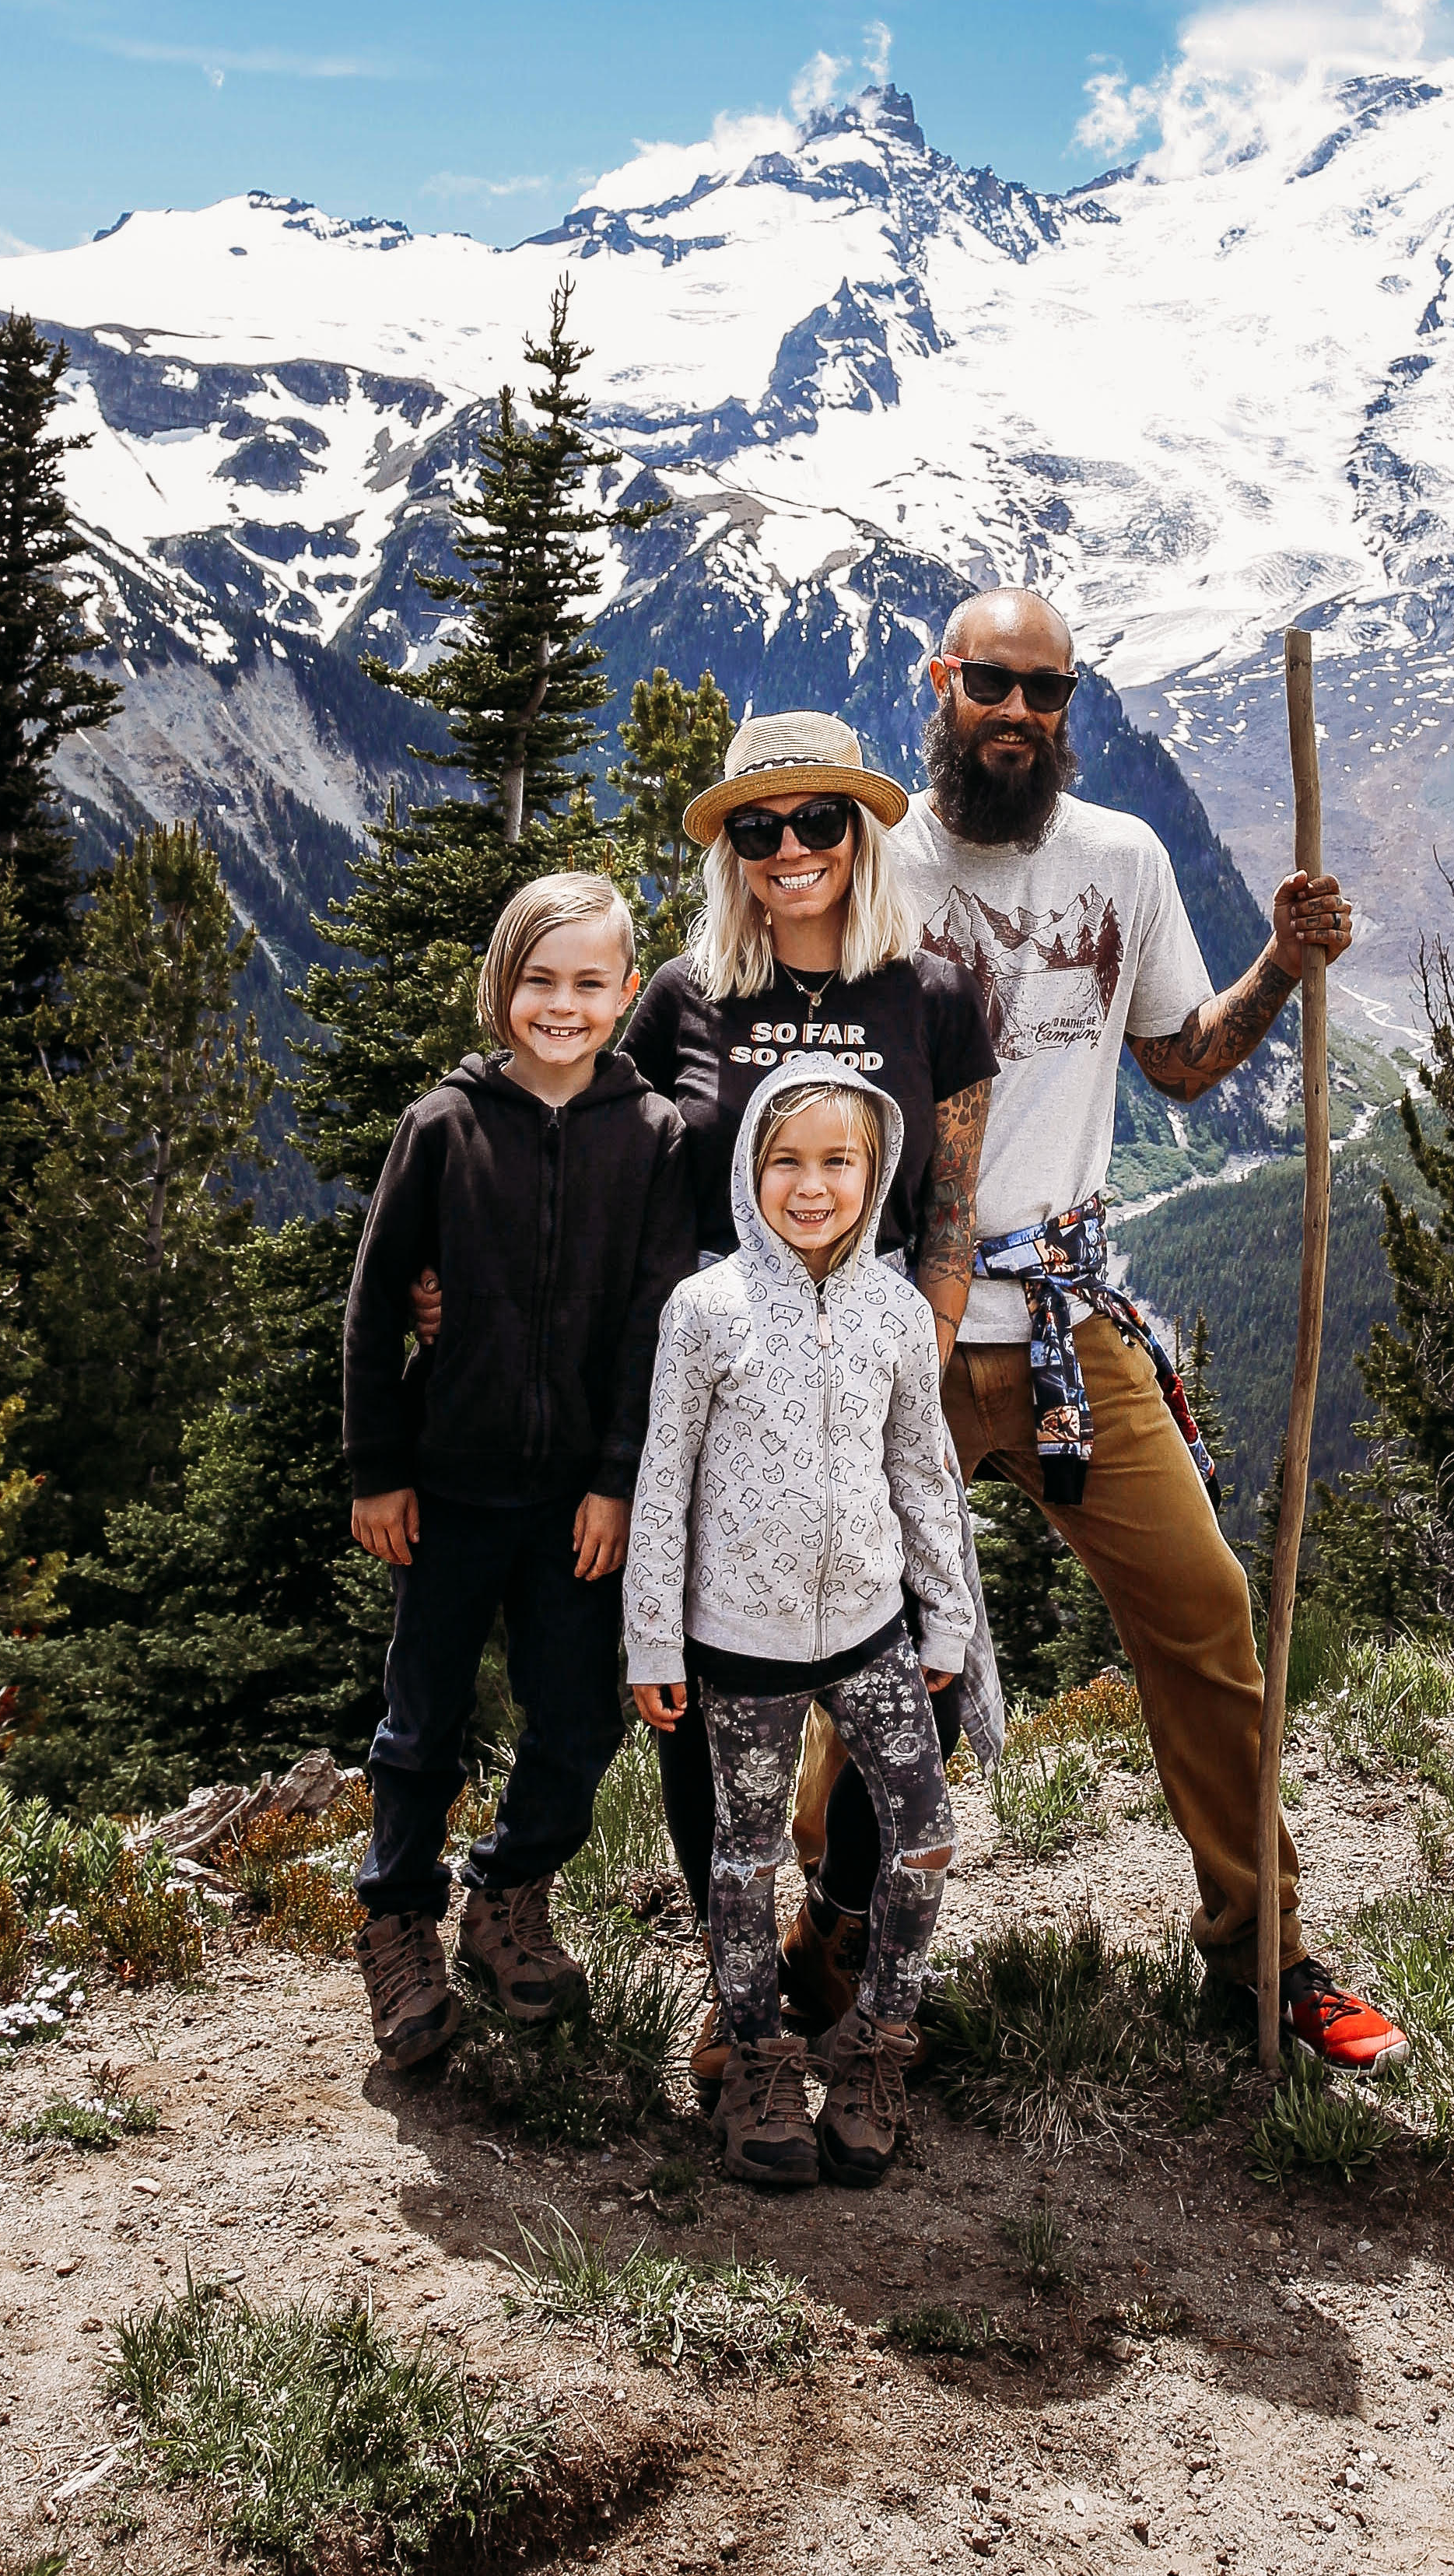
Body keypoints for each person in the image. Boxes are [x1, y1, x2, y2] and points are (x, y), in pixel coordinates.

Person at [410, 708, 998, 2080]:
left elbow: (955, 1205)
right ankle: (738, 1993)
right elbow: (570, 1136)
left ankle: (841, 1937)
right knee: (712, 1692)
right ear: (730, 848)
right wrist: (453, 1266)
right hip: (716, 1378)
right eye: (759, 826)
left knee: (897, 1665)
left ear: (863, 832)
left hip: (871, 1376)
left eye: (819, 823)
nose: (791, 851)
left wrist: (915, 1358)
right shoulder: (681, 996)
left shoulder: (936, 992)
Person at [878, 584, 1407, 2068]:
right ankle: (836, 1944)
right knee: (852, 1646)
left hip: (1062, 1324)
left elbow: (1181, 1060)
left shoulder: (1124, 857)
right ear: (943, 682)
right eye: (996, 685)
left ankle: (1265, 1953)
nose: (1021, 716)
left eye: (1049, 696)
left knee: (1208, 1616)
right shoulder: (871, 867)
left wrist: (1284, 967)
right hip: (892, 1330)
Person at [340, 871, 692, 2074]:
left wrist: (618, 1480)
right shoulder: (441, 1127)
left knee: (581, 1713)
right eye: (539, 980)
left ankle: (508, 1890)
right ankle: (397, 1919)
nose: (563, 1003)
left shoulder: (653, 1139)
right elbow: (376, 1300)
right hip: (444, 1484)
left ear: (625, 993)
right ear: (501, 990)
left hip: (575, 1507)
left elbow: (654, 1320)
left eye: (590, 982)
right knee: (419, 1718)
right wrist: (378, 1465)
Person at [625, 1058, 968, 2190]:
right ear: (750, 1169)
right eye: (786, 1160)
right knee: (744, 1856)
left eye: (838, 1162)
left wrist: (945, 1621)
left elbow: (923, 1473)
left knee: (922, 1832)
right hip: (740, 1648)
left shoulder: (896, 1311)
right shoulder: (706, 1310)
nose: (810, 1186)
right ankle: (758, 2057)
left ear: (874, 1176)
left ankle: (874, 2043)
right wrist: (654, 1642)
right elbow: (662, 1482)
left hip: (873, 1633)